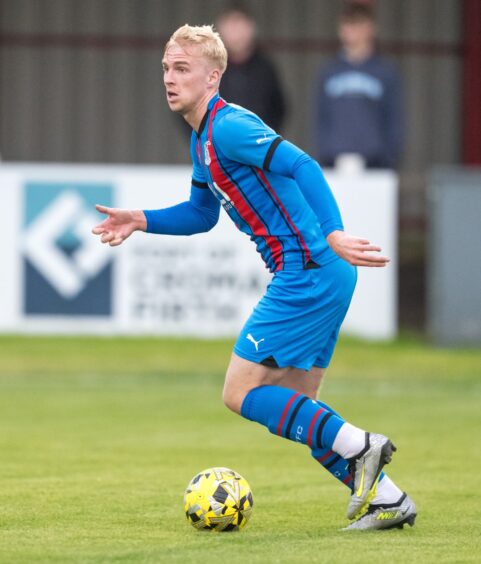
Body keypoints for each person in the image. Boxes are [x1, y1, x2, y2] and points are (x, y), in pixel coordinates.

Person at [92, 24, 416, 530]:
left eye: (181, 69)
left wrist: (332, 232)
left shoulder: (229, 127)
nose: (169, 79)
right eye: (165, 68)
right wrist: (141, 219)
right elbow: (202, 214)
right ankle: (390, 500)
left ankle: (364, 445)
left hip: (307, 269)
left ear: (213, 76)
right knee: (303, 411)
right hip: (319, 273)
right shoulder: (203, 140)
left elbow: (303, 164)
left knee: (239, 392)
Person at [314, 2, 403, 169]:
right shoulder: (328, 71)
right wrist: (323, 154)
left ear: (371, 28)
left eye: (359, 24)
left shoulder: (385, 72)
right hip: (334, 161)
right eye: (348, 24)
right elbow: (321, 117)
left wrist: (390, 158)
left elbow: (393, 117)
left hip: (375, 163)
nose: (352, 30)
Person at [216, 4, 286, 132]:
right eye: (231, 27)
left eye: (240, 26)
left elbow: (279, 108)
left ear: (251, 28)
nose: (236, 33)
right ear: (221, 30)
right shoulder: (210, 68)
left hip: (257, 146)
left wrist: (266, 138)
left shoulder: (265, 68)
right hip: (217, 147)